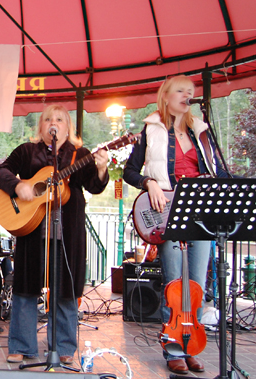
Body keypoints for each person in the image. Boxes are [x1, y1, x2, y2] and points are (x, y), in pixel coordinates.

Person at [123, 75, 228, 375]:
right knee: (175, 285)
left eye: (191, 92)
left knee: (196, 284)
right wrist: (149, 183)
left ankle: (190, 346)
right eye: (181, 91)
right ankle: (173, 349)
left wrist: (215, 181)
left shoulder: (201, 132)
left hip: (201, 215)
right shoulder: (151, 128)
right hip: (169, 213)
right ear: (166, 96)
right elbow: (130, 171)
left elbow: (219, 172)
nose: (187, 95)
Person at [0, 104, 109, 364]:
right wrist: (18, 186)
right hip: (32, 232)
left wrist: (101, 169)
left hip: (66, 235)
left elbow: (94, 185)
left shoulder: (79, 155)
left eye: (59, 119)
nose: (53, 123)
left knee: (65, 291)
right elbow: (1, 171)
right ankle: (22, 345)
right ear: (41, 127)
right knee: (25, 289)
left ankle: (64, 348)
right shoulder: (26, 151)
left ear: (68, 127)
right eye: (47, 119)